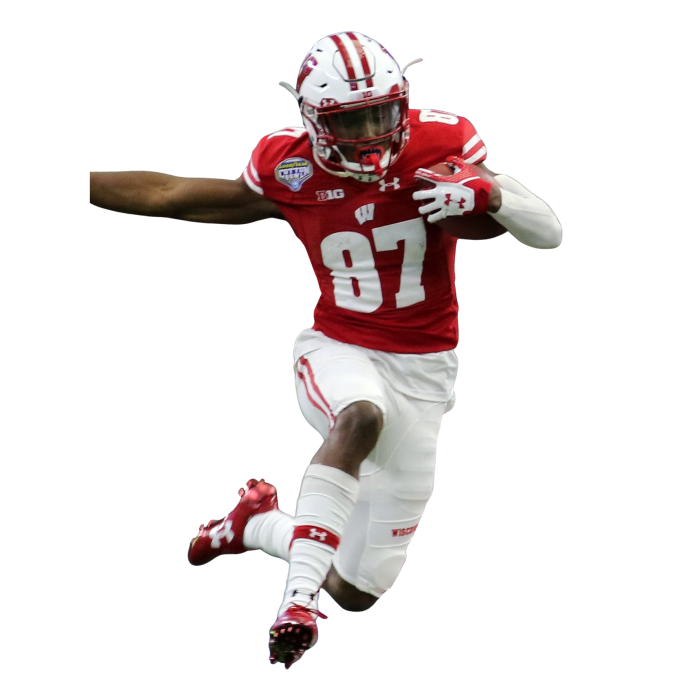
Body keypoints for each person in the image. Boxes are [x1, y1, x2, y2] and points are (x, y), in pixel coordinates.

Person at [89, 31, 562, 669]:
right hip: (337, 345)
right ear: (313, 120)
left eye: (380, 113)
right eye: (349, 120)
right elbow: (172, 196)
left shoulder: (442, 142)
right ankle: (297, 602)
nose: (369, 134)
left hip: (425, 370)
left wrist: (495, 195)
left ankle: (256, 526)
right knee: (359, 417)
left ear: (403, 102)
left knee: (359, 591)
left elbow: (549, 235)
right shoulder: (288, 163)